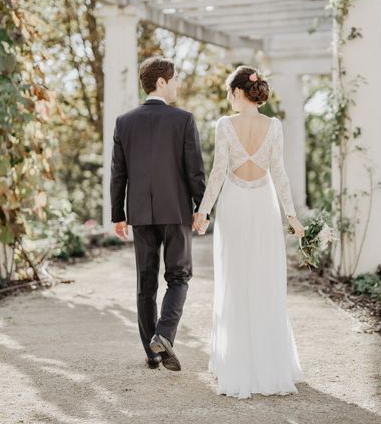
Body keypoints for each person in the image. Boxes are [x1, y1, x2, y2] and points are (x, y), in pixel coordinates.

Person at [195, 65, 306, 399]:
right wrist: (292, 215)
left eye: (229, 92)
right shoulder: (274, 126)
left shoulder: (225, 125)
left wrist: (203, 211)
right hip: (263, 206)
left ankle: (237, 363)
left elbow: (217, 172)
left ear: (237, 92)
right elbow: (280, 174)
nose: (229, 98)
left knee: (235, 279)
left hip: (234, 206)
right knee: (265, 280)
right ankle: (270, 364)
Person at [110, 56, 207, 371]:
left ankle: (151, 352)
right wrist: (201, 208)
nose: (179, 83)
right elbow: (195, 172)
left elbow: (118, 173)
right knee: (178, 276)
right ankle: (163, 334)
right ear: (162, 81)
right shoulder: (183, 120)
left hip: (139, 212)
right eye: (176, 77)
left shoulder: (124, 122)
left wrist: (118, 214)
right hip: (175, 211)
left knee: (145, 281)